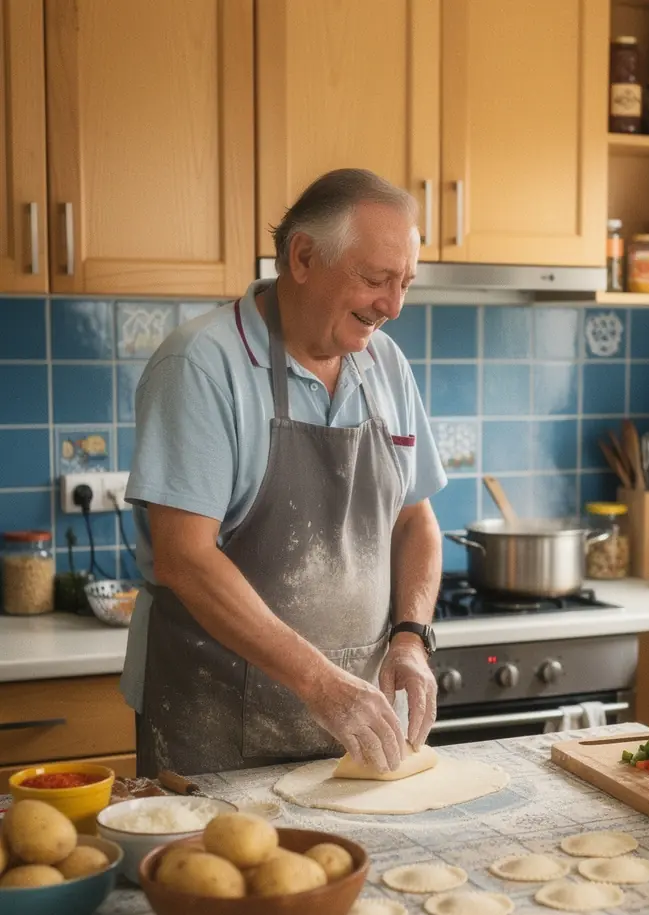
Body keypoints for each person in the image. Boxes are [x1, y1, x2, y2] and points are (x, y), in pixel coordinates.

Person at [122, 168, 447, 777]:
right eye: (376, 279)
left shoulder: (385, 364)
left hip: (352, 722)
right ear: (302, 257)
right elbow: (184, 557)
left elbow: (416, 521)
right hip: (214, 726)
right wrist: (321, 682)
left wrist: (409, 636)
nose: (394, 306)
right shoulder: (202, 364)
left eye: (404, 283)